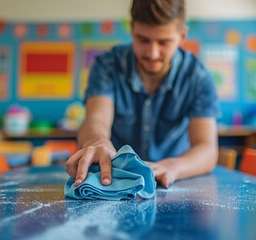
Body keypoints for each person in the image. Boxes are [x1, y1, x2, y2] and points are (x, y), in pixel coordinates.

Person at [66, 0, 220, 188]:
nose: (153, 53)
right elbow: (96, 118)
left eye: (164, 42)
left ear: (182, 36)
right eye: (143, 40)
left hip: (173, 183)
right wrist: (97, 141)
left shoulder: (198, 77)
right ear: (132, 30)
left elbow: (207, 149)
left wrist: (172, 167)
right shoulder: (107, 66)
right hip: (116, 182)